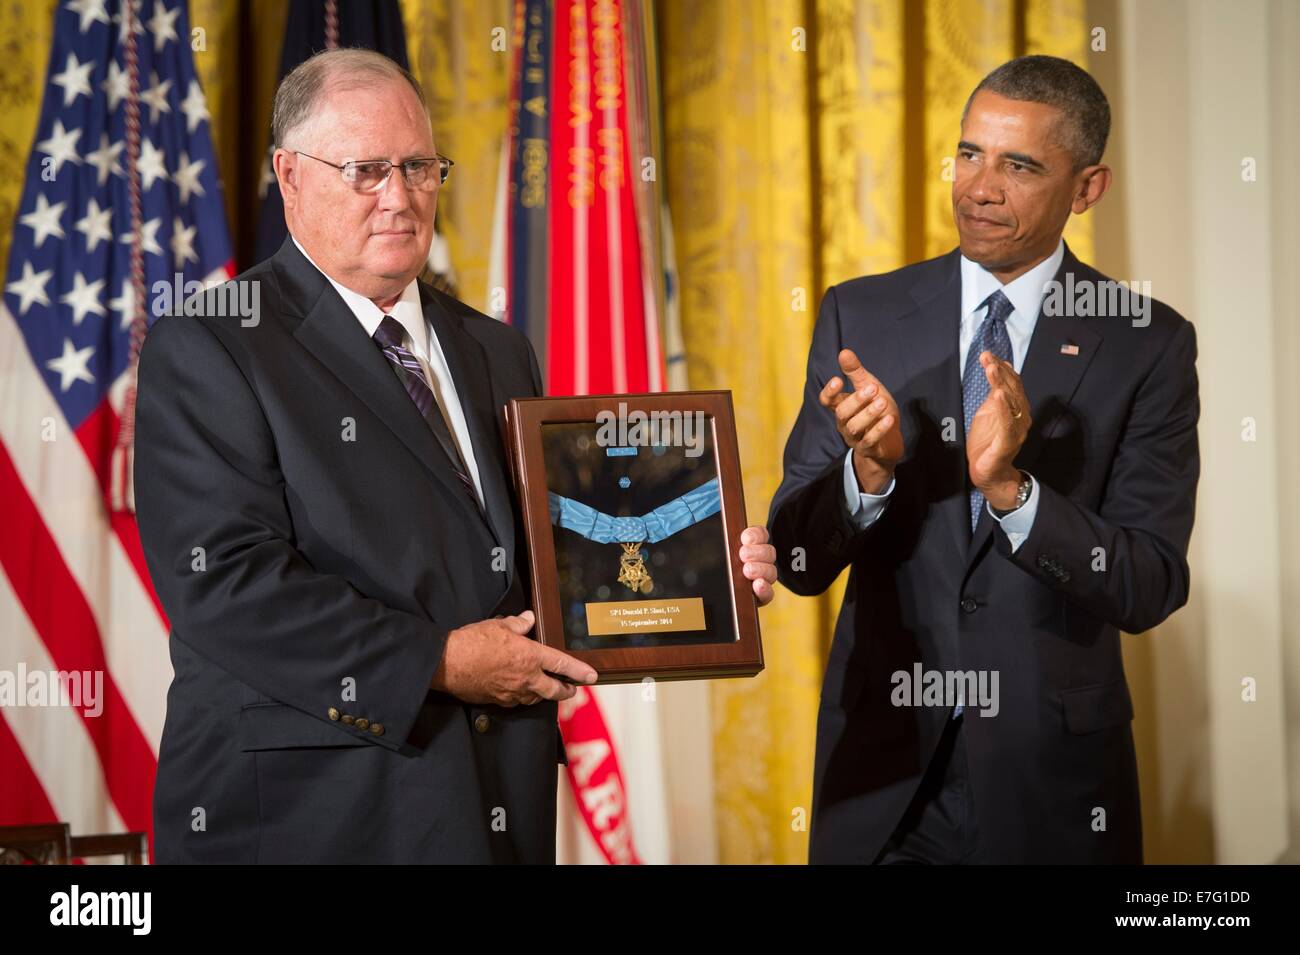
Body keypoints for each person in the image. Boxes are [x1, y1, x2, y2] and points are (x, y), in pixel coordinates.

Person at [135, 49, 779, 864]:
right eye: (366, 170)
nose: (400, 197)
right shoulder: (213, 344)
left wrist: (705, 566)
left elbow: (561, 554)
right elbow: (225, 585)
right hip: (312, 819)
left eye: (419, 166)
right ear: (289, 176)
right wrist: (437, 662)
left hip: (493, 805)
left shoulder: (495, 348)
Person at [769, 55, 1199, 864]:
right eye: (969, 154)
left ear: (1087, 188)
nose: (979, 187)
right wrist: (867, 475)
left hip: (1052, 791)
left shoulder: (1148, 343)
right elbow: (794, 557)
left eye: (1019, 165)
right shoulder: (862, 314)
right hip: (885, 786)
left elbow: (1149, 581)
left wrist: (1012, 490)